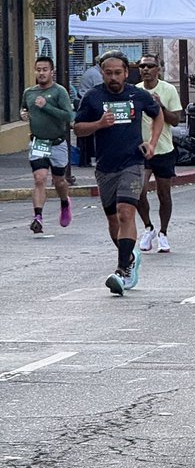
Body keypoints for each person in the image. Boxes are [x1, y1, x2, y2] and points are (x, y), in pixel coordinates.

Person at [73, 52, 162, 296]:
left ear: (126, 73)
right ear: (102, 73)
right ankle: (130, 256)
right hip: (104, 167)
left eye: (118, 72)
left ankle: (123, 270)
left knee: (126, 213)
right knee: (113, 219)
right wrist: (99, 124)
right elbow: (78, 129)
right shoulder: (93, 97)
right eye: (108, 73)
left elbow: (158, 114)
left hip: (133, 163)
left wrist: (152, 143)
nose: (113, 77)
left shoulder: (138, 95)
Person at [20, 55, 74, 233]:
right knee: (39, 178)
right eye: (38, 70)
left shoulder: (59, 92)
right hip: (38, 143)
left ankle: (65, 202)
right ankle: (38, 217)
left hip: (57, 143)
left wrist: (47, 107)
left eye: (45, 70)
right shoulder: (29, 92)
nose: (41, 73)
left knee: (59, 181)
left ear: (52, 72)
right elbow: (24, 108)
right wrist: (24, 114)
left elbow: (69, 116)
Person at [135, 54, 183, 254]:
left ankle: (163, 232)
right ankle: (148, 227)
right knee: (138, 190)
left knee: (164, 193)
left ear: (158, 69)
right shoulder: (135, 91)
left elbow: (176, 120)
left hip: (163, 149)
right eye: (142, 66)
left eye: (150, 66)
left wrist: (160, 105)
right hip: (140, 149)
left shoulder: (168, 90)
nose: (146, 69)